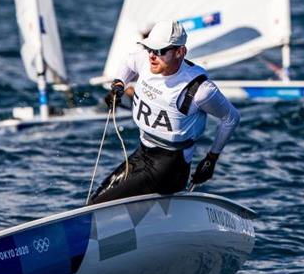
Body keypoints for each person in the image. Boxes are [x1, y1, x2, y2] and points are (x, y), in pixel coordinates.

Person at [89, 20, 240, 205]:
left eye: (160, 51)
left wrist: (211, 159)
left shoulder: (200, 90)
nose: (152, 55)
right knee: (94, 202)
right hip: (142, 154)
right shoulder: (146, 60)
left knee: (99, 206)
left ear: (180, 52)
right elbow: (128, 62)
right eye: (149, 49)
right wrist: (119, 84)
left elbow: (231, 118)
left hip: (170, 166)